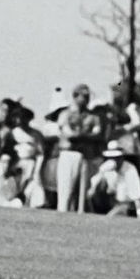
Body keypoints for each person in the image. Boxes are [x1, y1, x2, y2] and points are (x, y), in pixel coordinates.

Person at [54, 84, 104, 213]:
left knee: (83, 192)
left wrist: (83, 136)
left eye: (87, 96)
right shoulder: (65, 114)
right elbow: (69, 134)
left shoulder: (93, 116)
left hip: (86, 155)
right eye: (83, 96)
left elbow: (97, 134)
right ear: (75, 96)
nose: (85, 99)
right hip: (68, 153)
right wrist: (86, 135)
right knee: (65, 189)